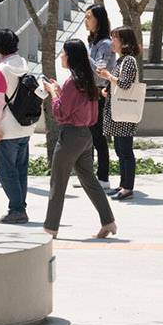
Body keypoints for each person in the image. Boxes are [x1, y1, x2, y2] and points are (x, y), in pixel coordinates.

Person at [42, 39, 117, 238]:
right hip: (85, 135)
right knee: (89, 180)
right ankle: (108, 221)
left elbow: (60, 113)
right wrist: (59, 92)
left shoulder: (72, 82)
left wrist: (53, 93)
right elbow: (76, 106)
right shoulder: (87, 80)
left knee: (58, 181)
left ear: (71, 57)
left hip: (70, 136)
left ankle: (50, 227)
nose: (61, 56)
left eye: (64, 53)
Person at [0, 27, 36, 223]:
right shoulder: (23, 64)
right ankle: (19, 208)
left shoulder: (2, 69)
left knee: (6, 172)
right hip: (25, 125)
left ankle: (17, 209)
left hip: (7, 128)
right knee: (20, 170)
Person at [99, 26, 142, 201]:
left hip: (124, 114)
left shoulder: (129, 61)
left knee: (125, 150)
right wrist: (107, 89)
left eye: (115, 38)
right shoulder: (121, 60)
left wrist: (108, 76)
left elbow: (124, 84)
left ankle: (128, 187)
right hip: (118, 113)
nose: (112, 41)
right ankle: (123, 185)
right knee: (119, 150)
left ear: (124, 41)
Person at [83, 4, 114, 188]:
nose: (86, 21)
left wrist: (83, 56)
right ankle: (90, 177)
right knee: (88, 137)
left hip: (100, 93)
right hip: (89, 92)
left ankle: (103, 178)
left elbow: (100, 70)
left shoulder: (106, 44)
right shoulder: (92, 42)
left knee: (98, 137)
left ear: (99, 20)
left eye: (89, 17)